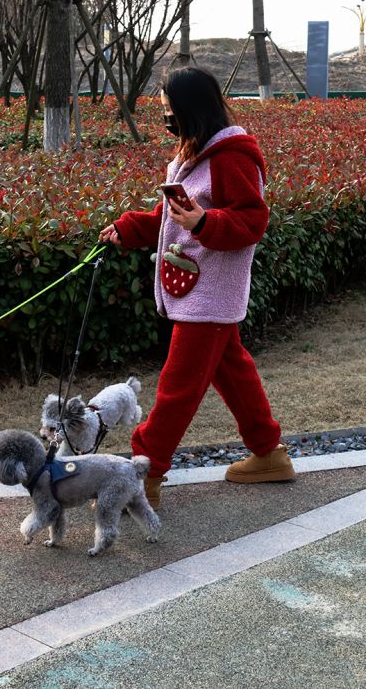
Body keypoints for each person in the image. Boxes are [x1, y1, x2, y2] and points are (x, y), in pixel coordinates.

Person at [98, 66, 294, 510]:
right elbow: (174, 217)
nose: (165, 116)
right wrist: (128, 228)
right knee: (233, 371)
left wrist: (205, 222)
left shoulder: (231, 157)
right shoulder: (193, 152)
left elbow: (252, 220)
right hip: (198, 289)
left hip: (211, 291)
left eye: (169, 109)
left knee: (177, 388)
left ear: (191, 110)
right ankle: (268, 453)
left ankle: (141, 475)